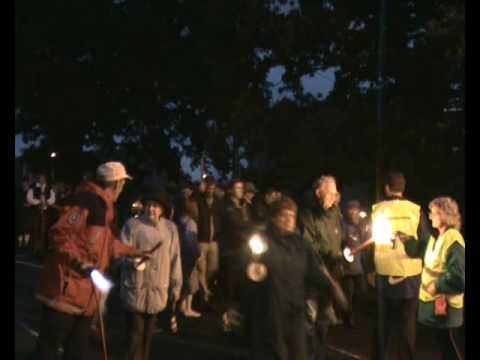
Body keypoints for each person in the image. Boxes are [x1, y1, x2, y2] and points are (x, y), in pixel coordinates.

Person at [35, 162, 147, 360]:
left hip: (86, 296)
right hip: (64, 293)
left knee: (77, 353)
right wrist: (81, 264)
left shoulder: (105, 209)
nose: (122, 189)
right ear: (117, 184)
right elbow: (60, 234)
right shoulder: (86, 201)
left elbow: (108, 245)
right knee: (47, 351)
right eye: (122, 184)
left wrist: (134, 252)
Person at [239, 197, 349, 360]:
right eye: (284, 215)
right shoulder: (262, 241)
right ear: (274, 217)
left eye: (292, 216)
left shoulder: (301, 245)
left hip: (295, 310)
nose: (288, 220)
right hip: (269, 312)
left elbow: (314, 271)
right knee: (276, 354)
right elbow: (246, 276)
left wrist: (333, 287)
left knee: (299, 354)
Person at [366, 171, 431, 360]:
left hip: (384, 274)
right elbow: (426, 243)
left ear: (387, 187)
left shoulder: (377, 210)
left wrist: (370, 269)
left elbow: (369, 242)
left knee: (382, 324)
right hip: (410, 276)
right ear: (403, 189)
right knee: (407, 326)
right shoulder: (415, 210)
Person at [119, 187, 183, 360]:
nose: (151, 209)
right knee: (134, 335)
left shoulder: (170, 228)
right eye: (149, 205)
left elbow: (175, 259)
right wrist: (132, 262)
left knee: (148, 336)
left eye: (155, 206)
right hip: (135, 286)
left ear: (163, 209)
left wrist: (176, 285)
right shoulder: (132, 225)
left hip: (158, 289)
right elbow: (121, 252)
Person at [400, 197, 465, 360]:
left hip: (446, 307)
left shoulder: (453, 239)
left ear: (444, 215)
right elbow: (420, 249)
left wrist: (437, 286)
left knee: (449, 347)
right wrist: (406, 240)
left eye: (433, 213)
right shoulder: (437, 238)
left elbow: (459, 278)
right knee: (443, 345)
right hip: (438, 306)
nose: (430, 217)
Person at [298, 175, 345, 360]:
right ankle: (308, 353)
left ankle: (320, 351)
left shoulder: (335, 213)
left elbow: (338, 238)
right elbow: (307, 244)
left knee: (324, 317)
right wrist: (328, 255)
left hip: (331, 273)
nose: (334, 196)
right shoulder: (307, 213)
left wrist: (341, 253)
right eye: (330, 192)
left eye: (335, 192)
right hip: (313, 274)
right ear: (318, 192)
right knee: (310, 315)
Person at [218, 179, 253, 330]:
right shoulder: (227, 206)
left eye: (241, 187)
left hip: (243, 251)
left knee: (241, 285)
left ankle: (237, 319)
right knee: (230, 286)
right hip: (230, 250)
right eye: (237, 188)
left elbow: (250, 222)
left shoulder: (244, 206)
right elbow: (235, 224)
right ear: (231, 190)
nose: (240, 190)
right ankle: (226, 319)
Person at [341, 200, 368, 327]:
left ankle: (355, 314)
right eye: (351, 210)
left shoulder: (360, 226)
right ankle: (348, 317)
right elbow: (341, 244)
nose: (354, 212)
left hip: (359, 267)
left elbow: (366, 243)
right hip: (347, 269)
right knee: (349, 294)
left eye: (356, 210)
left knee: (362, 291)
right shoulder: (343, 226)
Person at [178, 196, 204, 317]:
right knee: (192, 283)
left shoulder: (179, 220)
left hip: (180, 255)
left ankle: (182, 306)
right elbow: (191, 241)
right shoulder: (191, 223)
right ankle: (188, 308)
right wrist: (198, 254)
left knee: (184, 281)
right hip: (189, 256)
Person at [26, 174, 56, 257]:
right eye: (40, 178)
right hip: (36, 212)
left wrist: (46, 202)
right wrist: (38, 202)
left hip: (46, 212)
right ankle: (36, 249)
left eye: (43, 178)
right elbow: (29, 198)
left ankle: (43, 249)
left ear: (45, 179)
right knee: (36, 230)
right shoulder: (33, 188)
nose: (42, 180)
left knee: (44, 230)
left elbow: (52, 199)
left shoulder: (49, 188)